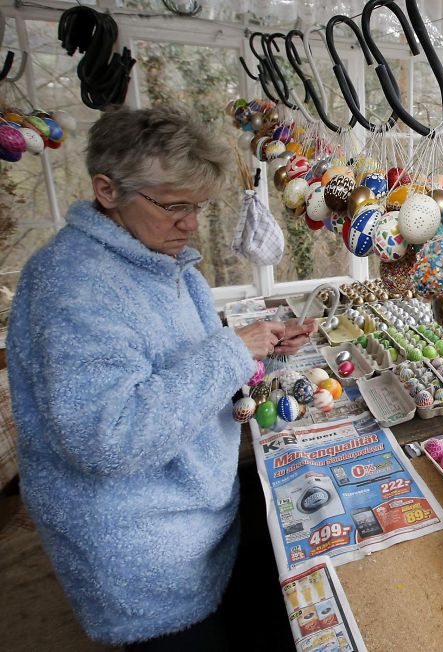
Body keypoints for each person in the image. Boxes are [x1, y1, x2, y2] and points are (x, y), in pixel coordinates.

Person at [6, 105, 316, 650]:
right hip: (141, 555)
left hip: (196, 515)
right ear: (107, 190)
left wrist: (256, 349)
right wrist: (228, 354)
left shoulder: (158, 257)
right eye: (174, 206)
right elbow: (106, 435)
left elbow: (176, 358)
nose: (190, 224)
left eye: (197, 207)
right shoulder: (73, 287)